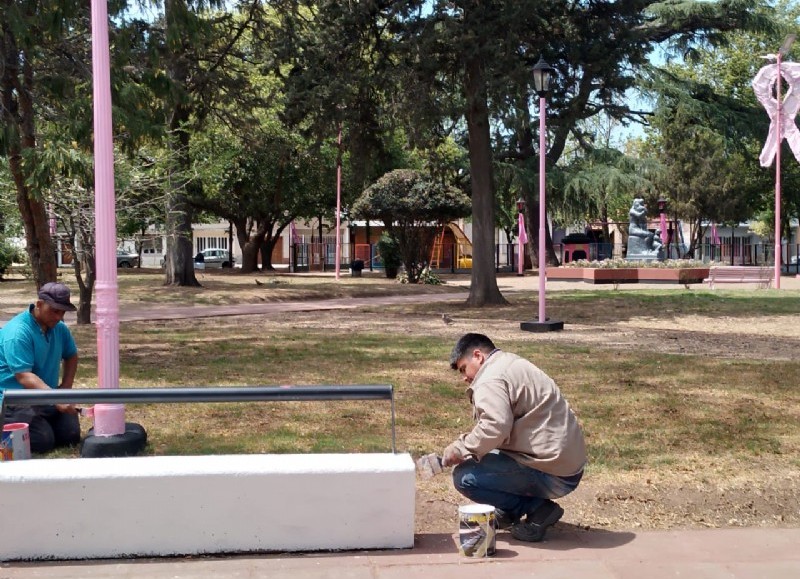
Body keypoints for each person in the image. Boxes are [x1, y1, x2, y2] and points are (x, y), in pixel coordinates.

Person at [443, 333, 586, 542]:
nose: (464, 377)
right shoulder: (510, 362)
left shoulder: (489, 379)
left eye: (464, 368)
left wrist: (461, 448)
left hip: (555, 474)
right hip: (568, 463)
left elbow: (495, 426)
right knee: (483, 454)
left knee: (465, 477)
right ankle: (510, 511)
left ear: (478, 356)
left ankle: (538, 510)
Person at [0, 282, 81, 453]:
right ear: (39, 304)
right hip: (14, 402)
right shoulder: (17, 332)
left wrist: (65, 388)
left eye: (62, 312)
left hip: (45, 396)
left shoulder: (59, 328)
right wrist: (57, 399)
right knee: (43, 441)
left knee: (70, 436)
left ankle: (42, 423)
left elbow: (71, 355)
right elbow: (24, 376)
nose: (59, 316)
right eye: (54, 310)